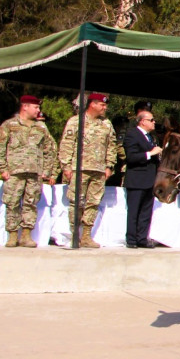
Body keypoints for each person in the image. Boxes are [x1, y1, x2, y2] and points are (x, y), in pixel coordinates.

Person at [0, 94, 57, 248]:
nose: (38, 110)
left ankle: (26, 236)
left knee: (31, 204)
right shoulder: (10, 125)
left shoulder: (41, 127)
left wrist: (47, 171)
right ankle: (12, 235)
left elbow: (50, 150)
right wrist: (1, 168)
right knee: (12, 203)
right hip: (14, 172)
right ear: (25, 106)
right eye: (35, 107)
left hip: (34, 173)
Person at [58, 92, 116, 249]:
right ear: (92, 104)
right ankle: (75, 234)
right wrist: (67, 166)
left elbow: (111, 145)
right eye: (102, 105)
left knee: (93, 203)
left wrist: (109, 165)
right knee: (76, 202)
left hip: (98, 170)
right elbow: (66, 144)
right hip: (80, 169)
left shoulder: (106, 124)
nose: (105, 108)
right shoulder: (76, 122)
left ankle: (86, 236)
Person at [122, 108, 163, 248]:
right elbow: (132, 157)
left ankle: (142, 238)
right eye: (151, 120)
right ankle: (132, 239)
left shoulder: (151, 137)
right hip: (137, 179)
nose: (154, 122)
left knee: (146, 212)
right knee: (134, 211)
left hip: (149, 180)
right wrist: (150, 153)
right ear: (142, 121)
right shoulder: (132, 135)